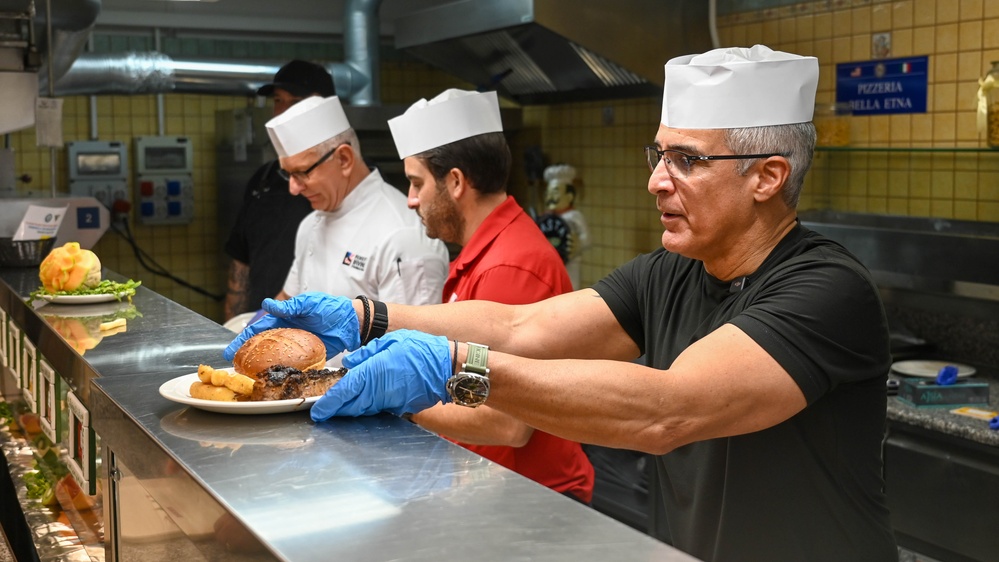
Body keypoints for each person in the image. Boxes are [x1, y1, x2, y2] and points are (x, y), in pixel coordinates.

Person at [226, 45, 897, 561]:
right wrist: (367, 317)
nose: (655, 181)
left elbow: (667, 410)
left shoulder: (824, 289)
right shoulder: (672, 271)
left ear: (768, 177)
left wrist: (452, 368)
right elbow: (525, 325)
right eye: (658, 154)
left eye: (686, 161)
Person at [384, 88, 594, 503]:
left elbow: (504, 422)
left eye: (416, 183)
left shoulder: (509, 268)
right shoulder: (485, 254)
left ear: (456, 182)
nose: (410, 200)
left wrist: (396, 397)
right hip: (495, 488)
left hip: (534, 500)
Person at [264, 95, 449, 306]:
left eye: (302, 172)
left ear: (344, 159)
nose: (293, 188)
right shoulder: (309, 226)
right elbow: (288, 300)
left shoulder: (402, 236)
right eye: (288, 174)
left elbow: (412, 327)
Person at [223, 60, 333, 321]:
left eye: (294, 102)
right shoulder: (263, 179)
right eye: (277, 101)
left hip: (319, 331)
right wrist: (230, 327)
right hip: (262, 323)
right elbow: (240, 263)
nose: (282, 112)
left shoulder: (345, 185)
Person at [537, 164, 590, 290]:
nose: (550, 197)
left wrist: (579, 244)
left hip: (570, 264)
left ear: (569, 196)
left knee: (569, 289)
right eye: (548, 193)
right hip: (549, 265)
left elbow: (587, 238)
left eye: (555, 192)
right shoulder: (545, 219)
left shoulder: (574, 216)